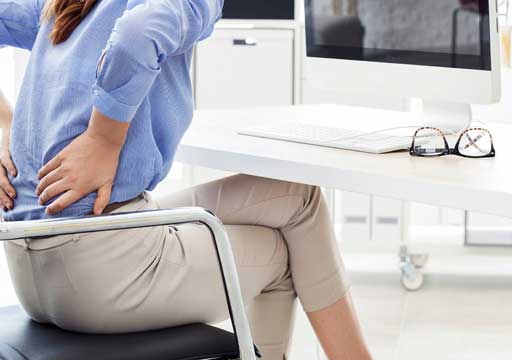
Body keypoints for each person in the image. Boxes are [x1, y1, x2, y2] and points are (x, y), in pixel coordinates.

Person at [0, 1, 373, 359]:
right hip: (99, 272)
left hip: (28, 264)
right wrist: (104, 137)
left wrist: (4, 124)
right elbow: (139, 33)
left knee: (298, 197)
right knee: (283, 252)